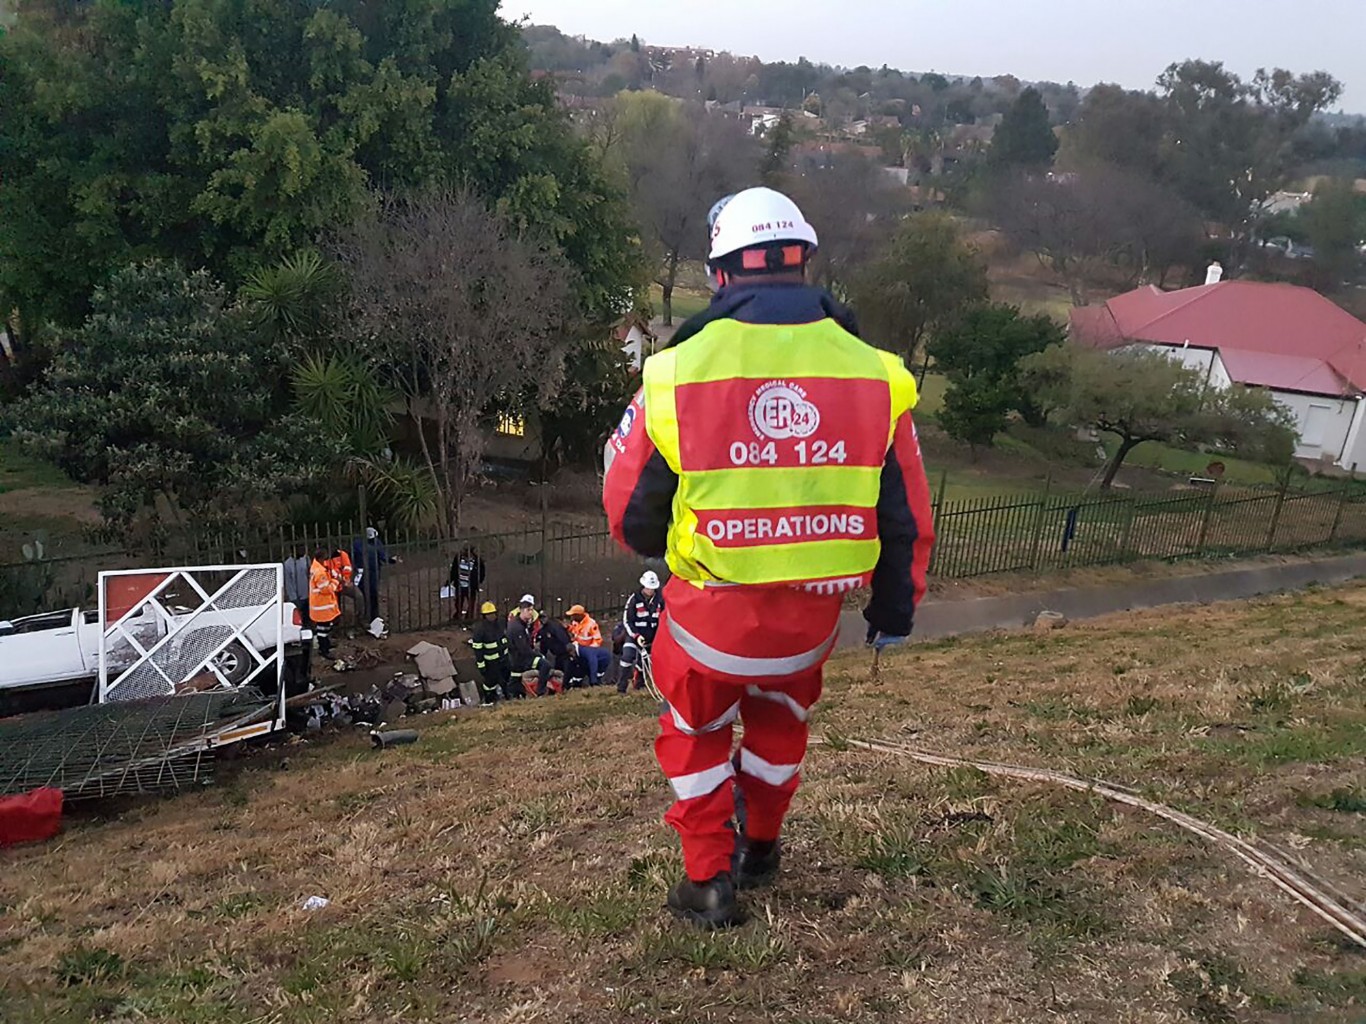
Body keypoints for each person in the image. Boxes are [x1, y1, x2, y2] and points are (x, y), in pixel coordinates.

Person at [602, 186, 935, 929]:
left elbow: (629, 515)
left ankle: (706, 884)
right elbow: (907, 514)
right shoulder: (879, 374)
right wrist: (892, 613)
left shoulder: (675, 372)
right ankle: (762, 849)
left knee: (694, 734)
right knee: (780, 726)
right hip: (810, 627)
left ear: (721, 275)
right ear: (806, 264)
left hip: (707, 623)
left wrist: (676, 541)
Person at [619, 571, 665, 694]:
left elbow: (664, 618)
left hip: (652, 637)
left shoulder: (660, 600)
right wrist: (636, 636)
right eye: (648, 588)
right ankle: (621, 687)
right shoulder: (634, 599)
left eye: (652, 588)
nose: (650, 591)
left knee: (646, 662)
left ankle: (640, 684)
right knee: (627, 657)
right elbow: (627, 620)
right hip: (634, 636)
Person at [469, 601, 514, 702]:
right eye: (489, 614)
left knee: (507, 679)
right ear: (484, 616)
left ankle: (508, 698)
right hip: (491, 663)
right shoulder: (480, 630)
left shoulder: (501, 623)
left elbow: (506, 638)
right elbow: (478, 650)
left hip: (504, 659)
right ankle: (489, 698)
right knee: (490, 682)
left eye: (493, 613)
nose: (491, 616)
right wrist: (481, 665)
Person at [351, 526, 398, 624]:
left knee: (368, 594)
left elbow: (382, 555)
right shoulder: (363, 544)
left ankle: (370, 616)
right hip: (366, 571)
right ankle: (368, 616)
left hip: (369, 571)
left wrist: (391, 560)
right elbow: (383, 556)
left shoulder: (362, 543)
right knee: (367, 594)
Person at [507, 602, 550, 697]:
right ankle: (540, 691)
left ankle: (512, 696)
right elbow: (523, 648)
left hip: (517, 657)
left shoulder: (521, 624)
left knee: (515, 680)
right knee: (545, 665)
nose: (531, 612)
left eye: (531, 610)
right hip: (521, 659)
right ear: (521, 610)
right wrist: (537, 655)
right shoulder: (517, 627)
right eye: (528, 610)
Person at [308, 547, 341, 659]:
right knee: (323, 629)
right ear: (321, 558)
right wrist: (336, 581)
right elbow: (326, 589)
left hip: (321, 606)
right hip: (322, 606)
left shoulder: (317, 568)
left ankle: (326, 644)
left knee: (324, 628)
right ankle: (324, 650)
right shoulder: (320, 572)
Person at [566, 605, 612, 687]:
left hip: (589, 649)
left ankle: (594, 681)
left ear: (579, 615)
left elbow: (598, 639)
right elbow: (575, 631)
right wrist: (568, 628)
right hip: (579, 647)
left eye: (573, 615)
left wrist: (590, 650)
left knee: (591, 663)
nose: (572, 617)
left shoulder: (591, 624)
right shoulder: (575, 622)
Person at [326, 546, 366, 626]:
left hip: (344, 583)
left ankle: (359, 619)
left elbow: (347, 568)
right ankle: (335, 625)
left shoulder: (342, 554)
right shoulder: (324, 558)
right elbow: (327, 572)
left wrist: (346, 579)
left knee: (359, 596)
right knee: (334, 606)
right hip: (331, 586)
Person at [449, 544, 486, 624]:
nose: (463, 552)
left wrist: (478, 582)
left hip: (471, 586)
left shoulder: (477, 561)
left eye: (466, 551)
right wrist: (450, 580)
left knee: (471, 603)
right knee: (458, 602)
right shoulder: (458, 558)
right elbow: (454, 569)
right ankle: (458, 616)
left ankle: (469, 619)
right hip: (460, 585)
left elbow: (482, 572)